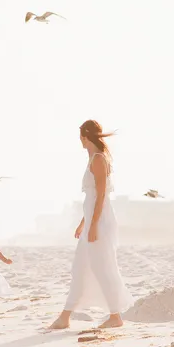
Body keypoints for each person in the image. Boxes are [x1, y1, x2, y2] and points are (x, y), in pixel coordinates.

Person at [49, 120, 134, 329]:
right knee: (80, 268)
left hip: (102, 222)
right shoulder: (93, 159)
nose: (80, 141)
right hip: (93, 221)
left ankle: (115, 316)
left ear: (85, 137)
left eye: (80, 137)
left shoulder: (98, 160)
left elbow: (101, 196)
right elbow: (91, 199)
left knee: (102, 267)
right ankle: (65, 317)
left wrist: (94, 225)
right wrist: (83, 223)